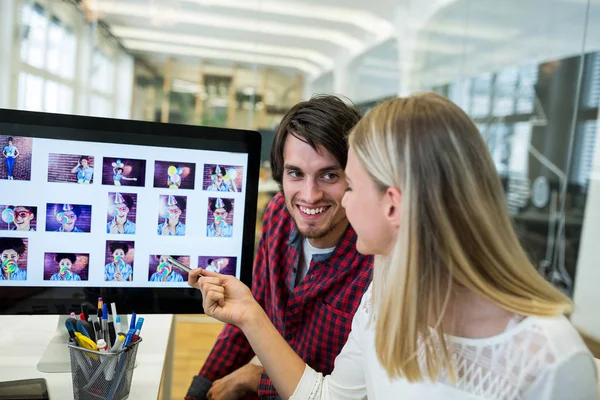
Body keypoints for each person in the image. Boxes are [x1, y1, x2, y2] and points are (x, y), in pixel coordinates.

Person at [190, 93, 598, 399]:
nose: (341, 199)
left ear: (393, 204)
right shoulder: (386, 291)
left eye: (348, 182)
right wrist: (249, 316)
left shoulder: (553, 361)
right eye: (296, 174)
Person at [185, 95, 373, 400]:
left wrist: (257, 377)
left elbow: (344, 391)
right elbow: (249, 313)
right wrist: (200, 389)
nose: (310, 196)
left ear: (355, 178)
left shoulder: (374, 263)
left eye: (329, 175)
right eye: (296, 173)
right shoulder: (277, 216)